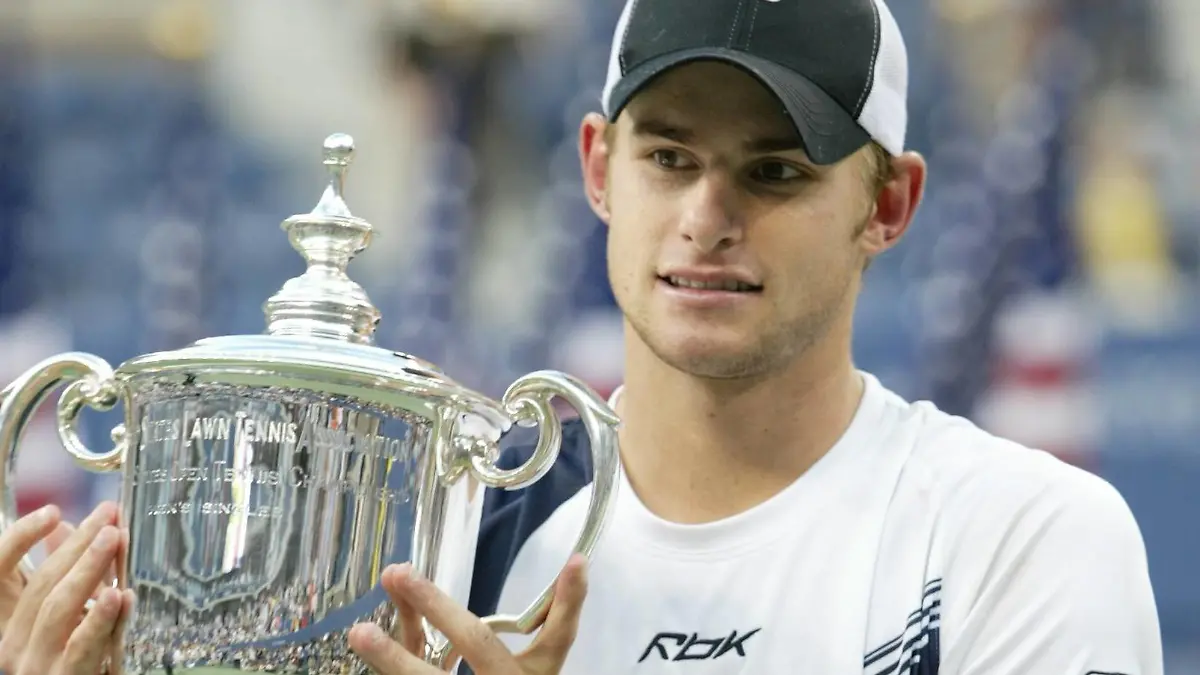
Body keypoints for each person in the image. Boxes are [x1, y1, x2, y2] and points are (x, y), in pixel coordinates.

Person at [0, 0, 1164, 673]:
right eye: (671, 158)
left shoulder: (1021, 533)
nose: (709, 217)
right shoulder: (448, 545)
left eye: (775, 170)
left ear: (891, 206)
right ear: (600, 168)